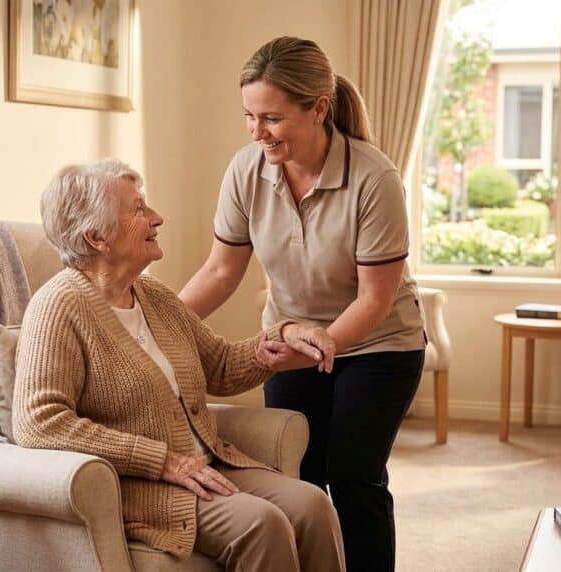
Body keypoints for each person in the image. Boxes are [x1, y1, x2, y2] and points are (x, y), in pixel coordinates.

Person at [13, 159, 346, 571]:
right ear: (96, 236)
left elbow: (220, 365)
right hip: (143, 487)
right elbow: (38, 422)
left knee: (314, 505)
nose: (157, 217)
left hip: (207, 465)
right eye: (138, 209)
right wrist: (161, 460)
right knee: (261, 525)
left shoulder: (153, 296)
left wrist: (280, 337)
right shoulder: (58, 307)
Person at [177, 36, 427, 572]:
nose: (256, 131)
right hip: (292, 341)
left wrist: (324, 344)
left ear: (318, 110)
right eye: (248, 115)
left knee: (354, 474)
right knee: (296, 478)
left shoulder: (374, 177)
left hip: (378, 344)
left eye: (272, 117)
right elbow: (221, 271)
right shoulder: (247, 171)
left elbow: (375, 299)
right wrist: (157, 322)